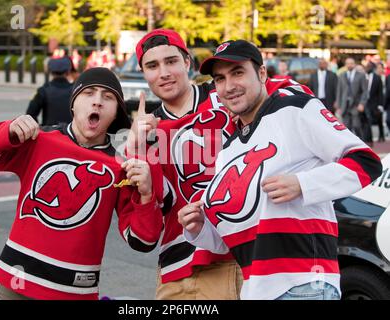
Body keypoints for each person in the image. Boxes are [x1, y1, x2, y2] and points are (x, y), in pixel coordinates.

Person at [177, 40, 383, 300]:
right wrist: (198, 227)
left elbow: (366, 162)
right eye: (220, 79)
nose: (229, 86)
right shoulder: (228, 149)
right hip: (254, 291)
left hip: (304, 284)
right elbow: (231, 237)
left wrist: (303, 184)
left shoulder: (296, 109)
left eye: (238, 73)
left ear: (262, 73)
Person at [126, 29, 313, 300]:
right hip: (184, 272)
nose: (164, 72)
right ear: (144, 72)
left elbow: (293, 93)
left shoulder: (227, 94)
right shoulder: (146, 132)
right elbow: (146, 231)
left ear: (187, 62)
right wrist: (136, 148)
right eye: (152, 66)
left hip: (248, 257)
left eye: (171, 61)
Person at [0, 67, 163, 300]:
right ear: (73, 104)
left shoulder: (122, 163)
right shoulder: (39, 140)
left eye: (107, 98)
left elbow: (142, 240)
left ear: (116, 111)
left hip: (75, 290)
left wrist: (147, 195)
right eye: (88, 93)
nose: (97, 102)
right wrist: (8, 129)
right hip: (16, 285)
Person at [26, 57, 73, 126]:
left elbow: (30, 115)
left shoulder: (43, 90)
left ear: (50, 72)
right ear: (68, 71)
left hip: (49, 133)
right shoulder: (75, 90)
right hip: (71, 134)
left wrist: (40, 130)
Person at [335, 57, 369, 142]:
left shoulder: (361, 75)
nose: (349, 65)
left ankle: (361, 142)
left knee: (356, 125)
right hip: (344, 105)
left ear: (354, 64)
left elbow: (365, 91)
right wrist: (338, 105)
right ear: (345, 65)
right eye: (348, 63)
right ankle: (349, 145)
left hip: (356, 105)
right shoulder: (342, 75)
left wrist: (362, 103)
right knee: (346, 128)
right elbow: (339, 91)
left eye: (351, 63)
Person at [364, 62, 385, 143]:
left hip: (374, 103)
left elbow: (380, 93)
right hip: (365, 102)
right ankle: (369, 139)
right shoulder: (363, 76)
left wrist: (380, 105)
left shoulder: (377, 78)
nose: (367, 68)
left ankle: (381, 135)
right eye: (367, 66)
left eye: (369, 66)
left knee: (379, 119)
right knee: (367, 120)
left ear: (372, 68)